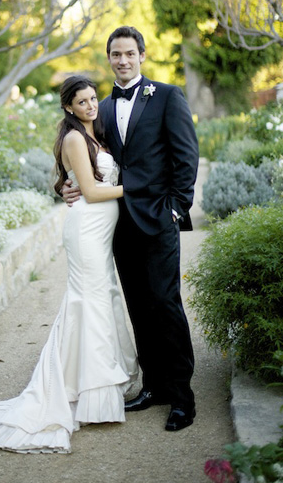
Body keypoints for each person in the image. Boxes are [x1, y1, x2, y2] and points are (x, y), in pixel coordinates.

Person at [0, 75, 138, 454]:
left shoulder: (95, 132)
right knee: (90, 303)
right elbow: (94, 192)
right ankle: (87, 393)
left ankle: (98, 384)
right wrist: (140, 187)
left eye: (94, 99)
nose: (91, 106)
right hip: (86, 230)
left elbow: (86, 181)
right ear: (68, 106)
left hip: (100, 230)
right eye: (82, 102)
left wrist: (75, 183)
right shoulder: (74, 138)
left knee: (104, 299)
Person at [63, 26, 199, 431]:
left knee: (165, 304)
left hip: (159, 220)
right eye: (115, 54)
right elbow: (90, 158)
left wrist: (176, 209)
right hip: (118, 227)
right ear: (109, 59)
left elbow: (186, 156)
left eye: (128, 53)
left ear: (141, 55)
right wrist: (71, 186)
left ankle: (181, 397)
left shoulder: (168, 96)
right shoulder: (100, 107)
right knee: (139, 308)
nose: (122, 60)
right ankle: (154, 385)